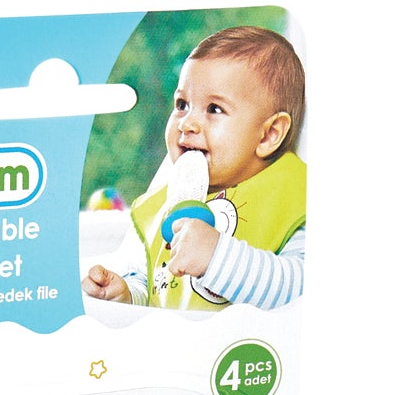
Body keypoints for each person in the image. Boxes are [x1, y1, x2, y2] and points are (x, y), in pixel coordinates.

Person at [83, 26, 306, 310]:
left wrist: (217, 258)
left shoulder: (295, 198)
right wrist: (127, 294)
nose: (187, 123)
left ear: (268, 135)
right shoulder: (163, 205)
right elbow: (152, 282)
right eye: (182, 104)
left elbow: (302, 289)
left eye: (214, 109)